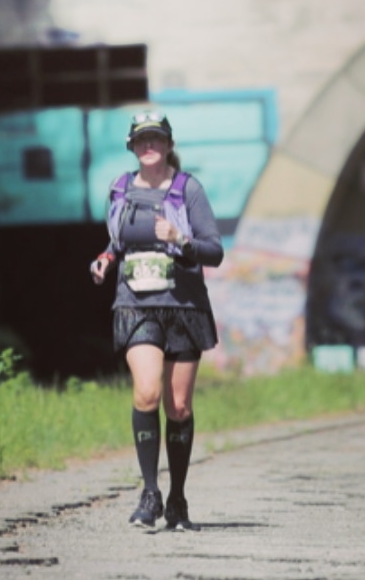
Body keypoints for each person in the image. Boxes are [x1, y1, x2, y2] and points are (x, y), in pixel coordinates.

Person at [90, 111, 224, 531]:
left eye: (156, 139)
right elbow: (118, 240)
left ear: (168, 144)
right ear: (132, 146)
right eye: (141, 140)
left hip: (184, 307)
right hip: (136, 305)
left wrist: (180, 239)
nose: (149, 146)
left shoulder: (188, 189)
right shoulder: (120, 188)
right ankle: (150, 493)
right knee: (147, 392)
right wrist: (105, 259)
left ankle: (177, 499)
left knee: (178, 406)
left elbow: (215, 251)